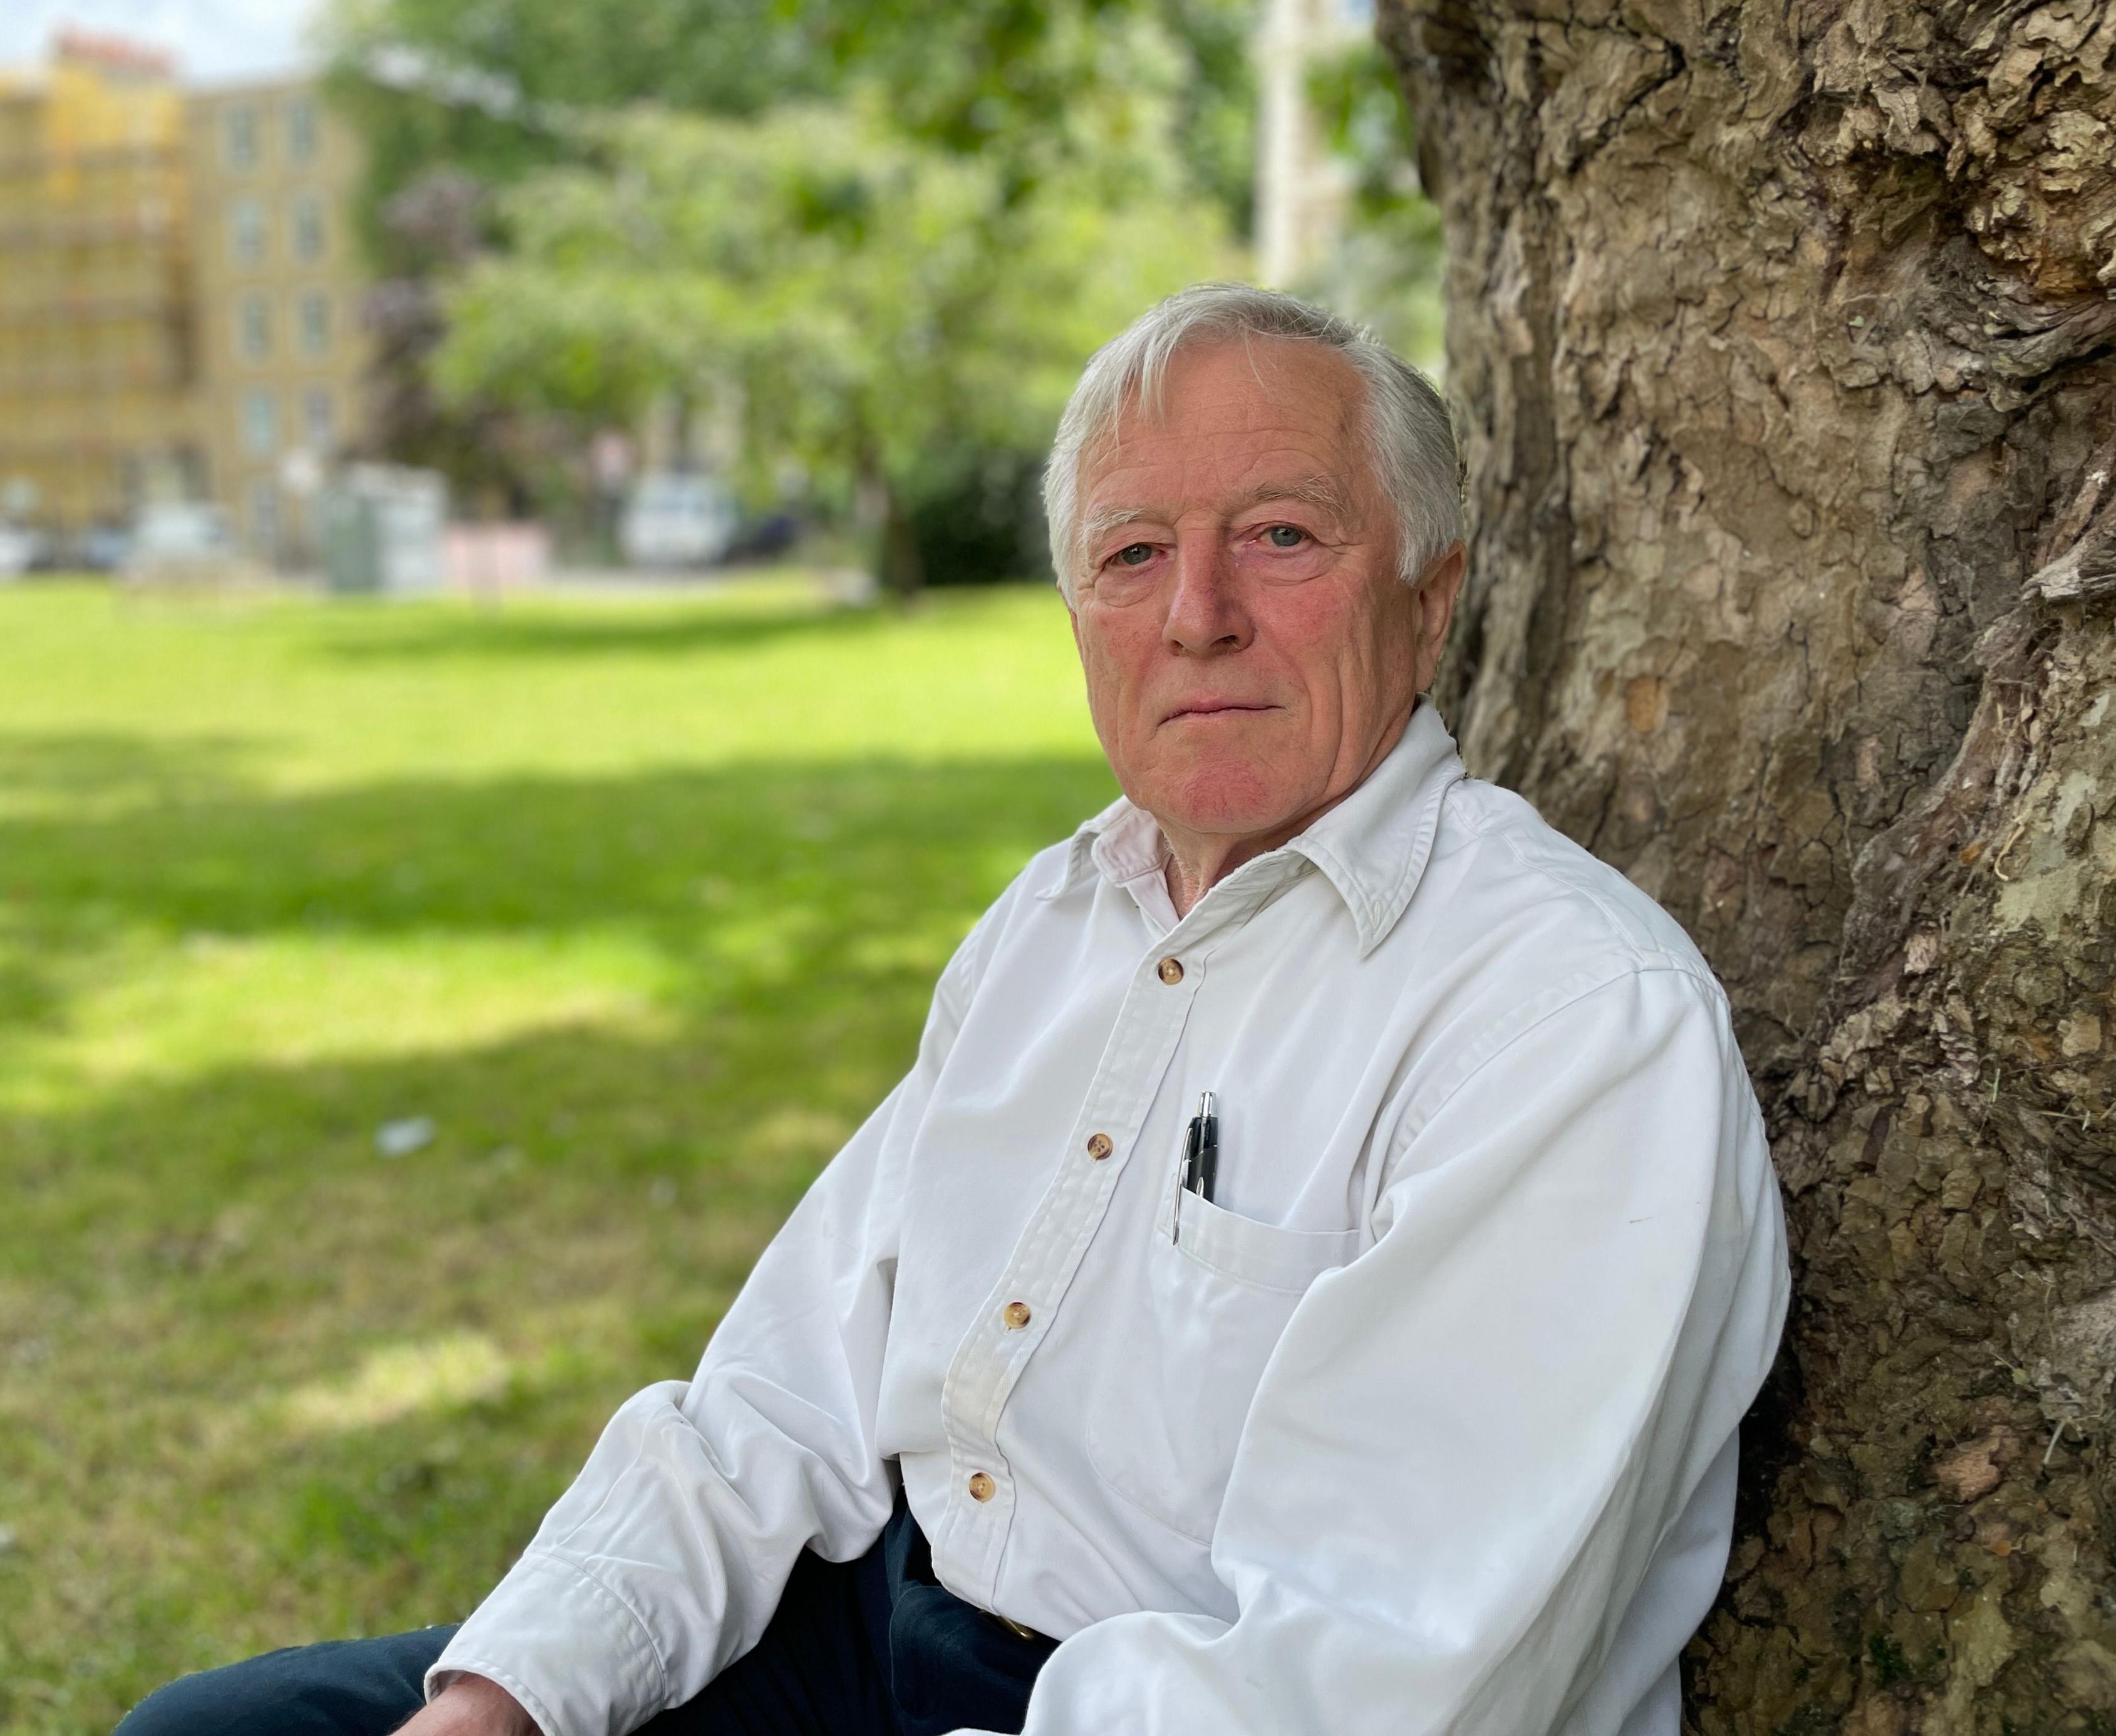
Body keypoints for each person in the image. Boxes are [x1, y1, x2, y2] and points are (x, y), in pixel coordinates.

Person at [118, 284, 1789, 1736]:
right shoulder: (1058, 922)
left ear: (1429, 598)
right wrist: (509, 1698)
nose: (1196, 612)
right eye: (1134, 555)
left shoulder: (1566, 1016)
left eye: (1280, 535)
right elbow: (780, 1397)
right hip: (874, 1636)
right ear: (1082, 623)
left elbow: (1364, 1684)